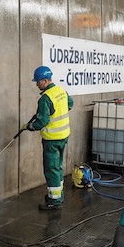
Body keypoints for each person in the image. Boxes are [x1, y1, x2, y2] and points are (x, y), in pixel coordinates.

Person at [25, 65, 73, 210]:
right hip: (63, 137)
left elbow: (42, 122)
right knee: (57, 168)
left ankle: (54, 201)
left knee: (51, 170)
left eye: (38, 81)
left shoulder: (45, 99)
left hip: (51, 140)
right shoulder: (61, 91)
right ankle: (59, 195)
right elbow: (70, 104)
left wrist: (30, 126)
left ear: (45, 80)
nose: (36, 84)